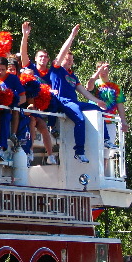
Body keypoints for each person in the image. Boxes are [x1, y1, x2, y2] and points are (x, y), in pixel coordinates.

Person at [50, 25, 107, 163]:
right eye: (66, 59)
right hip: (63, 101)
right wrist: (72, 36)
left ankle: (106, 139)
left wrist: (97, 101)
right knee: (80, 119)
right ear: (61, 60)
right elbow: (62, 52)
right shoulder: (57, 69)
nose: (69, 61)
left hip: (74, 102)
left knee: (97, 109)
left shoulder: (73, 76)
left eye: (71, 60)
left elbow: (83, 91)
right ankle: (79, 151)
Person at [86, 61, 129, 148]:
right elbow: (88, 87)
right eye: (101, 69)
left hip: (110, 122)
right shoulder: (95, 83)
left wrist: (123, 121)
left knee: (107, 154)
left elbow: (120, 105)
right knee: (94, 149)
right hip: (95, 121)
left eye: (105, 69)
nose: (103, 72)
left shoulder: (116, 87)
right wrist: (98, 72)